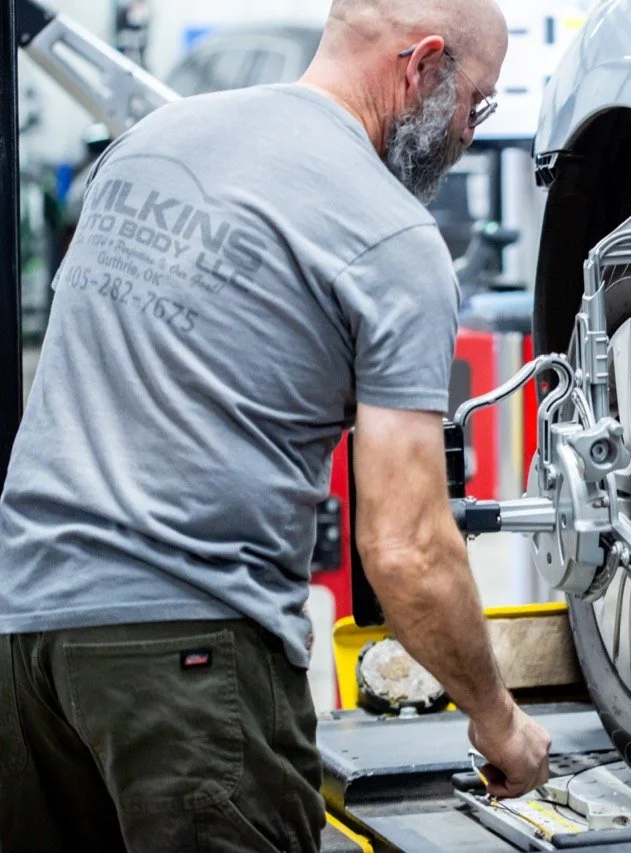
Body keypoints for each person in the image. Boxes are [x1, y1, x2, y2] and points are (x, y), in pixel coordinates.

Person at [0, 0, 552, 849]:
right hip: (187, 657)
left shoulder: (145, 147)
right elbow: (406, 549)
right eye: (476, 104)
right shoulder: (393, 235)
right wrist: (498, 719)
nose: (470, 134)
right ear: (423, 66)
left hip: (24, 637)